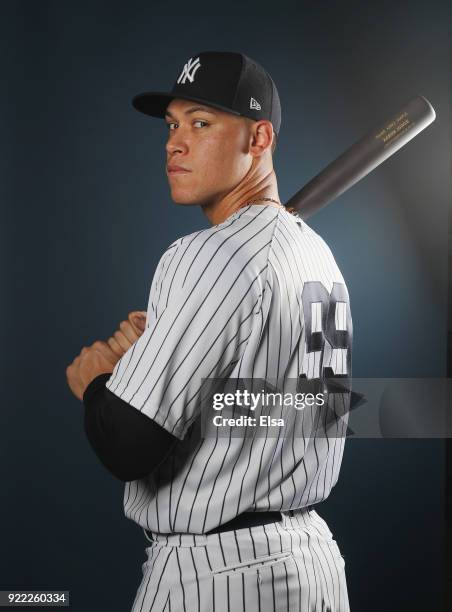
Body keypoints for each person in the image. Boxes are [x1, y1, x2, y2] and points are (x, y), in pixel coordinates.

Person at [66, 50, 353, 611]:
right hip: (313, 567)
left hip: (219, 576)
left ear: (259, 138)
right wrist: (166, 348)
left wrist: (100, 382)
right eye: (172, 125)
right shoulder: (318, 255)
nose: (175, 143)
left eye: (201, 123)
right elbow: (303, 409)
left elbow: (128, 445)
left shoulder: (205, 255)